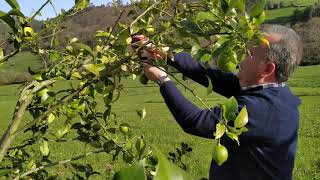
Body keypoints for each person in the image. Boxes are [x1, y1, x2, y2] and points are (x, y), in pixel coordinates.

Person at [137, 24, 303, 180]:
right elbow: (207, 74)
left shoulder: (263, 109)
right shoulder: (271, 92)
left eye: (249, 54)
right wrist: (164, 53)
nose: (240, 57)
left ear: (267, 69)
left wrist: (162, 79)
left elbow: (195, 122)